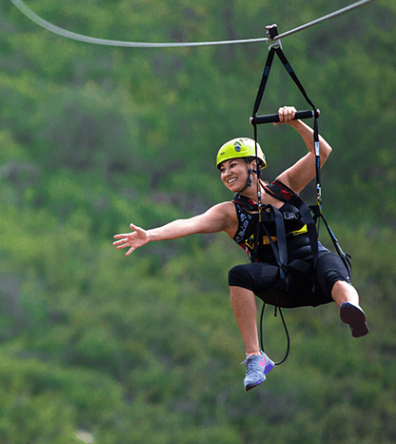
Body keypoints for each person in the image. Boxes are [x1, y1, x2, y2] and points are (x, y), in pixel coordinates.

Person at [112, 106, 368, 391]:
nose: (226, 173)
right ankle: (254, 356)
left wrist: (295, 122)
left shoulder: (285, 187)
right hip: (282, 282)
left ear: (254, 165)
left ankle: (350, 309)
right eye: (222, 169)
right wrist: (150, 235)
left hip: (316, 271)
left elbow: (322, 150)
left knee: (331, 266)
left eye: (233, 165)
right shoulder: (230, 212)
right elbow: (190, 223)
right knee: (239, 275)